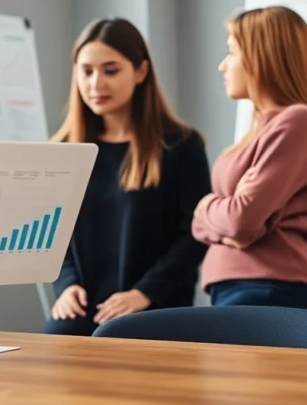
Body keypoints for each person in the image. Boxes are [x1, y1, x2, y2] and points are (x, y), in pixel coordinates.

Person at [44, 17, 212, 337]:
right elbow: (52, 231)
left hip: (156, 304)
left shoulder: (181, 145)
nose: (96, 84)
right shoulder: (63, 150)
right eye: (86, 71)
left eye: (110, 71)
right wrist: (66, 285)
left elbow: (195, 235)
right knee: (52, 347)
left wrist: (144, 293)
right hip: (83, 306)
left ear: (140, 72)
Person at [192, 5, 307, 312]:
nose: (222, 66)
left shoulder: (297, 121)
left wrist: (206, 206)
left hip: (269, 291)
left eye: (231, 52)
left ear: (262, 57)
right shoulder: (259, 131)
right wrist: (223, 215)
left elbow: (241, 221)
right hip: (240, 290)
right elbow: (204, 227)